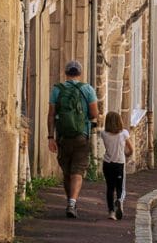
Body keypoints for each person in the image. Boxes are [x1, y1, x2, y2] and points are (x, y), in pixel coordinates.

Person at [48, 60, 98, 219]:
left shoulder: (57, 90)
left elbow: (51, 115)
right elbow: (94, 114)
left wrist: (50, 137)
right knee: (78, 170)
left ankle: (69, 200)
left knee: (67, 171)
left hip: (63, 136)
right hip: (81, 135)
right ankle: (72, 202)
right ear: (80, 73)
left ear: (66, 73)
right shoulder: (88, 89)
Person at [100, 111, 133, 220]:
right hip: (119, 163)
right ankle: (119, 200)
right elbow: (131, 149)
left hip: (107, 163)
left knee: (110, 188)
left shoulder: (103, 134)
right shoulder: (124, 133)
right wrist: (127, 154)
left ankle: (111, 212)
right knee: (120, 187)